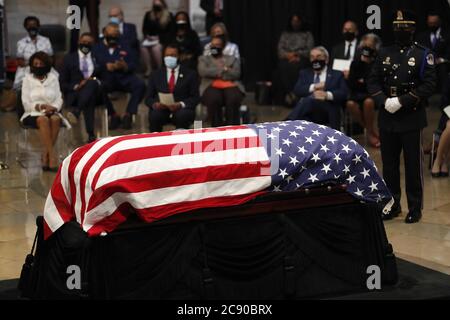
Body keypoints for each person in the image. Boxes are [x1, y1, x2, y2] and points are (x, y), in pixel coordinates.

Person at [367, 10, 437, 223]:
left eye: (405, 28)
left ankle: (415, 207)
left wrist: (403, 101)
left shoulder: (423, 54)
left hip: (411, 117)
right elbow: (372, 80)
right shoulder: (385, 52)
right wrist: (383, 101)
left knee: (413, 165)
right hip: (387, 115)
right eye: (397, 28)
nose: (400, 31)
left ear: (413, 29)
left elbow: (430, 84)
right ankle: (392, 204)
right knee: (388, 165)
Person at [60, 32, 118, 142]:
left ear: (93, 44)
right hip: (76, 94)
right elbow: (62, 82)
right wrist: (76, 86)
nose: (86, 44)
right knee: (89, 97)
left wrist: (95, 82)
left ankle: (77, 112)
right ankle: (91, 134)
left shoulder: (98, 58)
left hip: (98, 95)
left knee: (92, 83)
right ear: (78, 42)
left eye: (89, 43)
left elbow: (107, 81)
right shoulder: (69, 59)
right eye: (83, 42)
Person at [94, 23, 146, 130]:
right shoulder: (97, 47)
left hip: (124, 78)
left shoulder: (125, 45)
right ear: (104, 33)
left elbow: (134, 64)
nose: (113, 36)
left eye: (116, 33)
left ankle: (128, 114)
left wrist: (124, 66)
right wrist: (105, 66)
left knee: (140, 84)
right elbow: (92, 67)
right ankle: (113, 115)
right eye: (110, 33)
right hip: (106, 79)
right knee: (98, 86)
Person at [286, 46, 349, 130]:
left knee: (307, 101)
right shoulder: (304, 73)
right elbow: (297, 90)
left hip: (328, 110)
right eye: (312, 57)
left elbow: (344, 93)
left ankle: (284, 125)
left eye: (318, 57)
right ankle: (284, 130)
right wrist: (314, 87)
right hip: (309, 112)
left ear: (326, 59)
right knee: (306, 109)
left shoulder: (337, 74)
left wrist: (326, 95)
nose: (315, 60)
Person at [20, 52, 63, 171]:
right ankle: (52, 156)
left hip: (52, 111)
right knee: (43, 120)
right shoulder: (27, 80)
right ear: (32, 66)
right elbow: (25, 103)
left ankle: (45, 155)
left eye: (41, 64)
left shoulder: (53, 78)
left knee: (55, 119)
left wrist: (53, 108)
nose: (38, 66)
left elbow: (59, 98)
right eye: (36, 64)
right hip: (32, 113)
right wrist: (40, 106)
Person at [146, 43, 200, 132]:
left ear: (179, 56)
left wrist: (180, 104)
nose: (169, 58)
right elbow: (148, 98)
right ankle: (156, 143)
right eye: (167, 55)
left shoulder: (190, 74)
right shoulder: (155, 74)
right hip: (162, 109)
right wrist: (156, 104)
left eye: (172, 55)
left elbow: (195, 98)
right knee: (154, 115)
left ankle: (181, 144)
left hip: (182, 110)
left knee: (183, 115)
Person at [198, 35, 244, 127]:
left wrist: (214, 72)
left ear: (223, 47)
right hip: (210, 85)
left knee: (233, 98)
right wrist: (224, 69)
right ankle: (217, 127)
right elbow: (203, 71)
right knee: (214, 99)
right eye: (213, 45)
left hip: (231, 85)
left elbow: (236, 73)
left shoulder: (232, 58)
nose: (215, 47)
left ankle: (232, 128)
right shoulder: (203, 59)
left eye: (218, 45)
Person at [346, 33, 382, 148]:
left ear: (375, 48)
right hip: (356, 94)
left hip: (371, 94)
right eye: (365, 46)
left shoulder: (377, 62)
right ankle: (371, 132)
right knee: (350, 104)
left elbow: (373, 83)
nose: (367, 48)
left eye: (370, 46)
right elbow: (352, 83)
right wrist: (361, 81)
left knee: (368, 102)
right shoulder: (355, 62)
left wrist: (362, 80)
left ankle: (370, 134)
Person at [274, 13, 314, 106]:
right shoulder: (285, 34)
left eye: (297, 21)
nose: (295, 23)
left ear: (301, 22)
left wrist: (297, 55)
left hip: (302, 59)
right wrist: (289, 56)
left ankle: (295, 94)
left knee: (297, 68)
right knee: (282, 67)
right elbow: (280, 50)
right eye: (293, 21)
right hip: (287, 58)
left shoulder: (307, 34)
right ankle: (290, 93)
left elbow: (310, 50)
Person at [14, 16, 53, 90]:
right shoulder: (21, 42)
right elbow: (20, 62)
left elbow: (51, 58)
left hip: (44, 68)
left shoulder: (46, 40)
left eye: (34, 24)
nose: (32, 27)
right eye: (29, 25)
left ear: (38, 26)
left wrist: (42, 65)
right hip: (27, 70)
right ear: (25, 27)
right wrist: (34, 65)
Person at [142, 0, 174, 77]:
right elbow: (144, 29)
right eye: (155, 5)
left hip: (163, 40)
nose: (156, 7)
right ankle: (149, 69)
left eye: (158, 5)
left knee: (155, 49)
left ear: (163, 5)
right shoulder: (149, 15)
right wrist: (147, 36)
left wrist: (158, 38)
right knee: (143, 47)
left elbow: (171, 32)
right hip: (150, 39)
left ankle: (160, 69)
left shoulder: (169, 15)